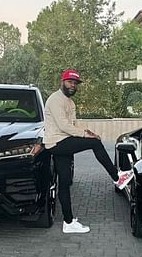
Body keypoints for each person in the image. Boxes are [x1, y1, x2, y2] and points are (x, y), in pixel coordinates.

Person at [43, 69, 134, 234]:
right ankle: (117, 178)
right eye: (70, 82)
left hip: (61, 142)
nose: (73, 85)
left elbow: (73, 125)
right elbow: (64, 126)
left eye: (75, 83)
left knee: (64, 183)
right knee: (96, 144)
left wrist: (87, 131)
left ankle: (68, 222)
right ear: (62, 82)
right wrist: (86, 137)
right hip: (57, 142)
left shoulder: (70, 102)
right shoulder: (56, 100)